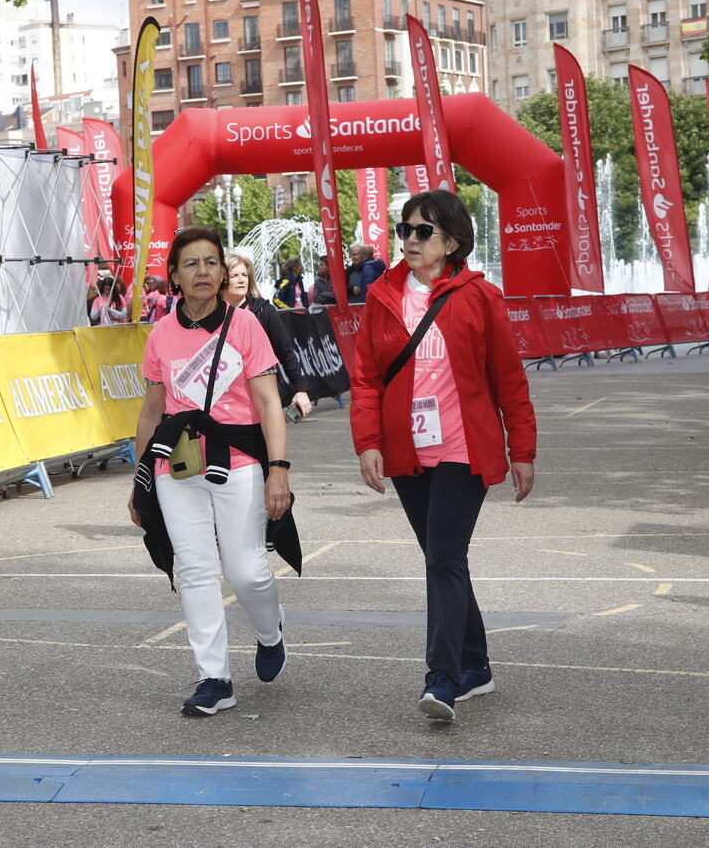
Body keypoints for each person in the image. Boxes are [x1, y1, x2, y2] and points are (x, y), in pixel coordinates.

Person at [350, 190, 536, 721]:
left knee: (443, 558)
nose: (409, 239)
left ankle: (443, 677)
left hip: (461, 452)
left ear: (451, 241)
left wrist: (521, 448)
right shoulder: (383, 295)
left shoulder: (481, 297)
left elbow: (508, 380)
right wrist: (368, 442)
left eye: (422, 231)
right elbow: (365, 379)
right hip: (408, 454)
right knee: (443, 558)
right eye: (404, 229)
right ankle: (476, 665)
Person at [128, 226, 297, 718]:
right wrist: (141, 483)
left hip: (240, 460)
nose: (202, 271)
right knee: (196, 570)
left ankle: (271, 631)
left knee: (247, 571)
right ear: (175, 276)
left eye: (211, 262)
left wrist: (279, 470)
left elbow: (269, 404)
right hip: (176, 466)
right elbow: (150, 412)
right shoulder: (160, 333)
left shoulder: (245, 326)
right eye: (191, 264)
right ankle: (214, 678)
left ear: (224, 271)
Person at [224, 253, 313, 418]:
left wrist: (301, 389)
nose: (241, 279)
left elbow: (285, 351)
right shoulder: (212, 315)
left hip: (262, 398)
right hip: (224, 402)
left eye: (244, 275)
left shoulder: (264, 310)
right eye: (234, 276)